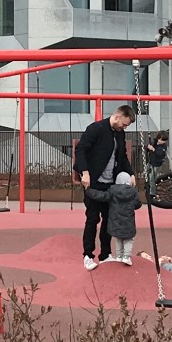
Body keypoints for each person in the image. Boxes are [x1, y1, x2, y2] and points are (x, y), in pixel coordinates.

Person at [73, 105, 136, 269]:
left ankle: (105, 254)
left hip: (110, 184)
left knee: (109, 219)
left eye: (127, 126)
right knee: (93, 218)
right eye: (124, 124)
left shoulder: (120, 134)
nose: (125, 127)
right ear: (117, 116)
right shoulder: (96, 129)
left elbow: (122, 156)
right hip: (93, 182)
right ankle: (88, 255)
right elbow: (80, 149)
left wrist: (130, 173)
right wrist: (84, 172)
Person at [105, 171, 141, 265]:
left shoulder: (112, 191)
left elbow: (103, 197)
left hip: (116, 220)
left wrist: (90, 191)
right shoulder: (133, 192)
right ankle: (126, 256)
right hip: (128, 220)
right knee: (129, 238)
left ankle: (119, 256)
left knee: (119, 238)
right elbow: (138, 204)